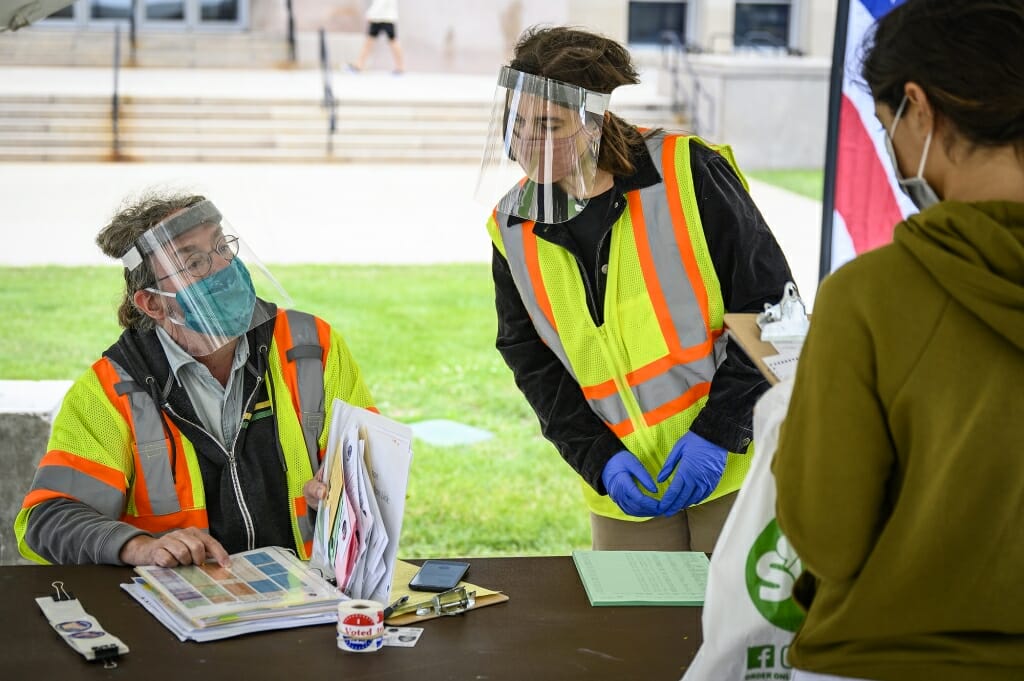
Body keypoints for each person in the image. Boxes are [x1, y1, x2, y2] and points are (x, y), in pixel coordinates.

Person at [772, 1, 1024, 679]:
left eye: (885, 128)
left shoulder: (871, 296)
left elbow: (827, 537)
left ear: (918, 108)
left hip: (885, 659)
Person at [478, 26, 794, 551]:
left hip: (739, 464)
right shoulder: (511, 226)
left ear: (594, 119)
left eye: (549, 125)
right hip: (625, 491)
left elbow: (776, 313)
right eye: (517, 123)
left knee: (743, 630)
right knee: (635, 633)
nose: (527, 143)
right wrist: (598, 460)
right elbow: (528, 358)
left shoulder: (688, 172)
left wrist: (718, 435)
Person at [14, 192, 375, 567]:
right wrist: (140, 546)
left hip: (307, 593)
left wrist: (345, 485)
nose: (221, 267)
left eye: (221, 246)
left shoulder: (310, 346)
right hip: (180, 607)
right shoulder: (108, 393)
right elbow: (48, 520)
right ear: (153, 304)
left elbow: (375, 458)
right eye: (194, 263)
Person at [348, 0, 404, 74]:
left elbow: (381, 3)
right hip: (378, 18)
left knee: (393, 42)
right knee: (369, 42)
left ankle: (400, 67)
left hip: (386, 18)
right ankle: (359, 65)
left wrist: (370, 14)